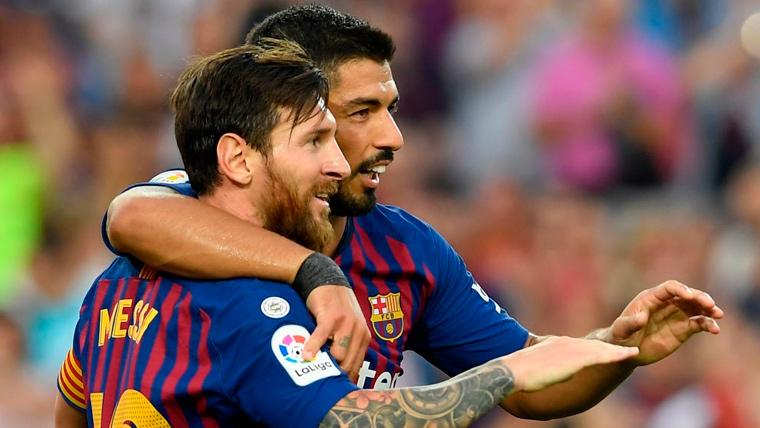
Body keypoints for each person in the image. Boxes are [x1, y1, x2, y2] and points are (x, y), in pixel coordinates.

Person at [105, 5, 723, 420]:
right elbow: (131, 215)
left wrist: (614, 348)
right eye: (359, 113)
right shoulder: (203, 254)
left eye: (391, 108)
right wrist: (315, 272)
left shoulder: (406, 249)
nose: (394, 138)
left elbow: (532, 374)